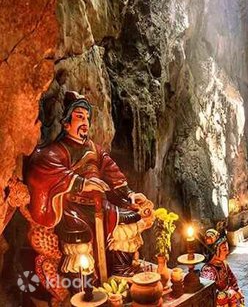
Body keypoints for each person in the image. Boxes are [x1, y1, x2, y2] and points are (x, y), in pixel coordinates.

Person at [26, 91, 154, 287]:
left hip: (100, 205)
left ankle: (120, 269)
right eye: (79, 116)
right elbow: (43, 167)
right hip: (73, 208)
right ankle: (82, 284)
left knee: (129, 217)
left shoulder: (95, 149)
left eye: (86, 117)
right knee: (79, 239)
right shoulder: (57, 150)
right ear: (66, 123)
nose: (85, 122)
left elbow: (113, 173)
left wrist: (130, 194)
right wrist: (81, 183)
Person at [201, 229, 245, 307]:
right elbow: (209, 294)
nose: (227, 252)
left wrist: (237, 290)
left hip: (229, 297)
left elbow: (232, 279)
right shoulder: (209, 271)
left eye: (227, 248)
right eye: (224, 249)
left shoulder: (223, 263)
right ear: (215, 251)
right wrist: (229, 294)